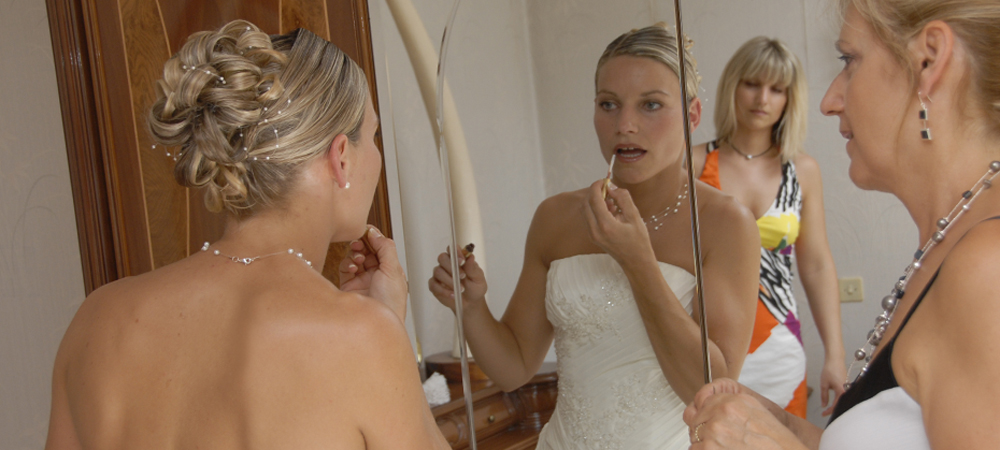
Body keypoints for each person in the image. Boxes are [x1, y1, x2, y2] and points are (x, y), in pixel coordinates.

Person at [44, 20, 449, 450]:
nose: (378, 156)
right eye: (373, 136)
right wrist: (387, 328)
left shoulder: (96, 319)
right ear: (341, 158)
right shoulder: (360, 338)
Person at [683, 0, 1000, 448]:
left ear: (929, 59)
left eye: (849, 60)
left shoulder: (988, 268)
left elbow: (815, 263)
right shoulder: (948, 246)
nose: (830, 100)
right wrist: (787, 427)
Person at [428, 24, 761, 450]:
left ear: (692, 116)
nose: (625, 125)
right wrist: (471, 308)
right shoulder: (556, 217)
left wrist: (637, 262)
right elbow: (514, 369)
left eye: (651, 105)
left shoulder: (724, 223)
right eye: (609, 104)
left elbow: (710, 387)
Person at [691, 36, 847, 418]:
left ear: (789, 99)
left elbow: (816, 266)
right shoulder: (692, 163)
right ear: (733, 85)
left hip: (780, 347)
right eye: (752, 84)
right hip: (708, 350)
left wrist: (835, 356)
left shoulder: (802, 171)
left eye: (777, 89)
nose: (763, 98)